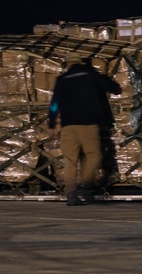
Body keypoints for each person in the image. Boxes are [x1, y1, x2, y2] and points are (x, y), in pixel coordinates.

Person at [47, 52, 122, 206]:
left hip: (68, 126)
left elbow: (54, 103)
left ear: (67, 64)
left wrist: (52, 124)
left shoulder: (61, 80)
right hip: (88, 124)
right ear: (81, 62)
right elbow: (112, 87)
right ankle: (84, 185)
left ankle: (71, 194)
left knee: (70, 161)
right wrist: (115, 88)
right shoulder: (90, 74)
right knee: (94, 155)